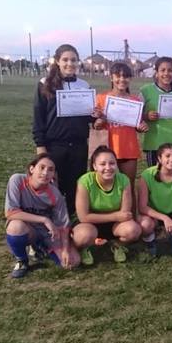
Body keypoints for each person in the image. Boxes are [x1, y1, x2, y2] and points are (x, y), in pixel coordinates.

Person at [32, 44, 99, 216]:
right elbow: (39, 117)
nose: (70, 63)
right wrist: (40, 145)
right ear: (57, 61)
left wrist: (95, 115)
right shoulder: (44, 84)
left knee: (75, 186)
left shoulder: (84, 85)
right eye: (65, 60)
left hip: (78, 145)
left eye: (74, 60)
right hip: (55, 145)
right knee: (52, 185)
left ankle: (72, 222)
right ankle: (50, 224)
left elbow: (86, 116)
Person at [4, 154, 80, 278]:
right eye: (42, 167)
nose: (45, 173)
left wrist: (65, 250)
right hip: (27, 228)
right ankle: (22, 260)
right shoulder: (17, 180)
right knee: (15, 227)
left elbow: (63, 225)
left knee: (73, 262)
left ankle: (41, 247)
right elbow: (11, 212)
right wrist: (44, 219)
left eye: (50, 170)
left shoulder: (55, 194)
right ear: (32, 169)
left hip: (47, 233)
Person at [72, 146, 141, 265]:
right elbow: (84, 217)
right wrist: (115, 216)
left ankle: (117, 245)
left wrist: (118, 218)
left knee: (133, 230)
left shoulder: (123, 180)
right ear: (94, 166)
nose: (108, 168)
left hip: (114, 225)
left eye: (112, 163)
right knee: (83, 236)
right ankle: (85, 248)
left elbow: (125, 214)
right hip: (89, 224)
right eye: (102, 164)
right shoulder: (84, 181)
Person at [94, 62, 147, 187]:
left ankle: (130, 208)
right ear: (111, 77)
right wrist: (99, 122)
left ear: (130, 79)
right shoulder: (101, 98)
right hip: (107, 148)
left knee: (128, 186)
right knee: (104, 186)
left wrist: (142, 127)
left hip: (128, 148)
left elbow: (137, 125)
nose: (122, 79)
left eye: (126, 76)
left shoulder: (135, 101)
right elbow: (95, 126)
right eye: (118, 76)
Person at [141, 57, 172, 167]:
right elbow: (135, 116)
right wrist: (146, 116)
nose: (166, 73)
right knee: (155, 179)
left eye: (170, 70)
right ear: (156, 73)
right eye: (163, 70)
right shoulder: (145, 91)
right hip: (155, 144)